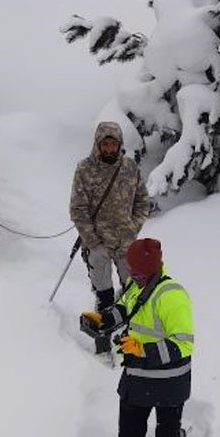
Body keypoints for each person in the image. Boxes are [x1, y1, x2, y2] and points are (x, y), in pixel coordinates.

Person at [92, 237, 194, 437]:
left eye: (139, 273)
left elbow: (183, 345)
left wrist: (143, 351)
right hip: (137, 378)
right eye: (132, 271)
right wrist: (102, 320)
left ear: (154, 269)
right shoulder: (135, 285)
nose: (134, 277)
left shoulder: (172, 295)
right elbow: (126, 308)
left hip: (169, 381)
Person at [69, 121, 151, 313]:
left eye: (113, 144)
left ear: (119, 144)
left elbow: (143, 201)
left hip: (126, 242)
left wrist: (133, 227)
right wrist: (93, 241)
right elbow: (77, 209)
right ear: (97, 144)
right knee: (103, 291)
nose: (109, 148)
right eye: (105, 144)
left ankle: (128, 325)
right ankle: (103, 326)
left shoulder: (130, 167)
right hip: (98, 243)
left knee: (132, 290)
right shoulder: (85, 169)